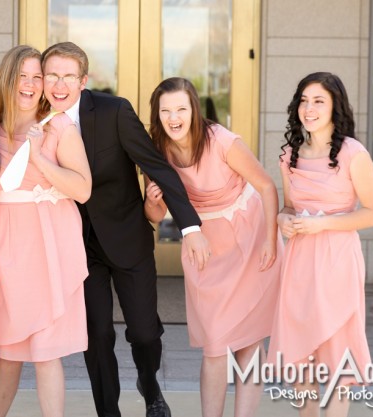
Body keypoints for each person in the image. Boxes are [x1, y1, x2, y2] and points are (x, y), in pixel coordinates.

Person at [41, 42, 210, 417]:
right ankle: (108, 412)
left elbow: (157, 166)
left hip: (127, 236)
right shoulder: (35, 120)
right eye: (51, 74)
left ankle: (150, 386)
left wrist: (190, 226)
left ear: (83, 80)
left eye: (68, 75)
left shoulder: (114, 111)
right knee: (97, 336)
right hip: (78, 246)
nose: (58, 84)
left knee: (145, 333)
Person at [144, 77, 282, 417]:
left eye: (181, 109)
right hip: (203, 244)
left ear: (194, 109)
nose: (173, 117)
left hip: (249, 237)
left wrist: (270, 241)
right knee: (215, 344)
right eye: (165, 111)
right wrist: (151, 201)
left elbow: (266, 186)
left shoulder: (221, 140)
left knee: (249, 339)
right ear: (156, 114)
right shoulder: (155, 149)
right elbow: (156, 216)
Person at [268, 72, 373, 417]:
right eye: (304, 100)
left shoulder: (353, 153)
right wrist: (282, 219)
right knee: (300, 358)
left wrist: (321, 224)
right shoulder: (289, 155)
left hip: (337, 260)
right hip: (299, 263)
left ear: (335, 105)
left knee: (336, 359)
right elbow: (288, 206)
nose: (309, 108)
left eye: (319, 100)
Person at [0, 45, 92, 417]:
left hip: (50, 245)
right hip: (7, 244)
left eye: (37, 76)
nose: (30, 85)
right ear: (8, 79)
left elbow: (82, 189)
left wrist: (40, 156)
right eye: (23, 77)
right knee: (9, 353)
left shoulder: (60, 126)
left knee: (47, 353)